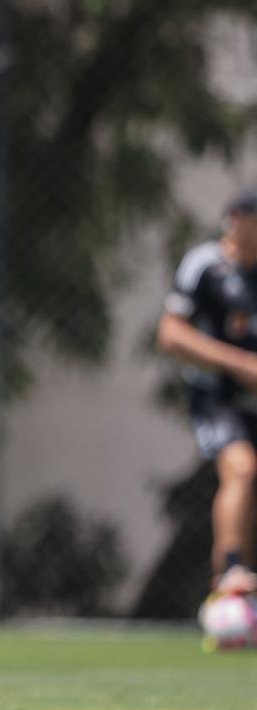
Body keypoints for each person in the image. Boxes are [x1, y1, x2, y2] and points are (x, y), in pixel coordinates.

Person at [158, 187, 257, 598]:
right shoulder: (206, 265)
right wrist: (238, 364)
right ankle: (231, 572)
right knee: (242, 469)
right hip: (220, 400)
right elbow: (171, 334)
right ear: (237, 219)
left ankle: (239, 594)